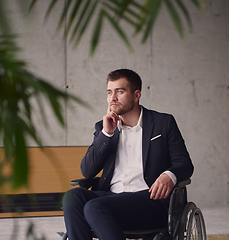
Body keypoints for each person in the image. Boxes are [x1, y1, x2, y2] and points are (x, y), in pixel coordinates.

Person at [62, 69, 194, 240]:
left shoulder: (163, 123)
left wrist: (169, 175)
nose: (112, 98)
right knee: (72, 197)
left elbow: (184, 163)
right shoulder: (103, 128)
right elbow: (87, 171)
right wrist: (106, 134)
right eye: (109, 92)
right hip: (111, 198)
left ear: (136, 95)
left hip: (150, 199)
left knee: (94, 207)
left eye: (120, 91)